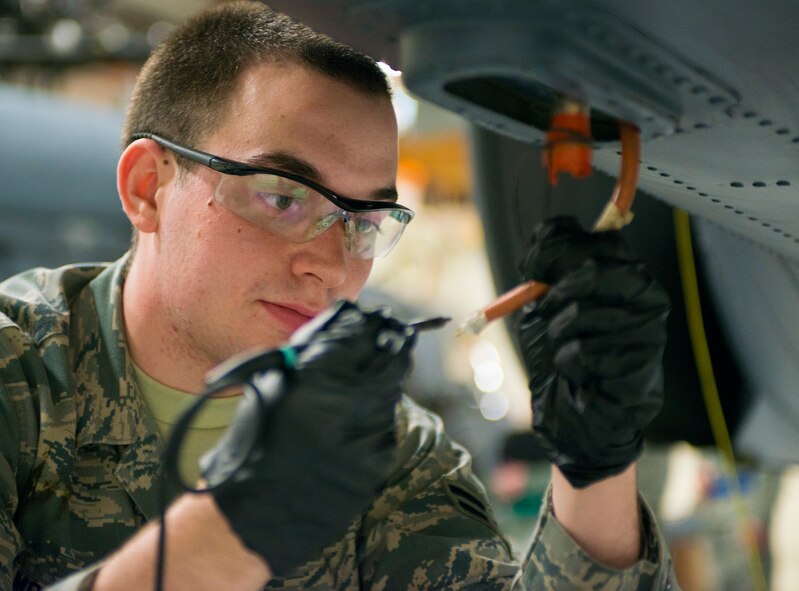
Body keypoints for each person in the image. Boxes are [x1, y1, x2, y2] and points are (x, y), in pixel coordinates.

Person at [0, 2, 678, 589]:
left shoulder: (380, 446)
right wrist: (236, 528)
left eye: (363, 222)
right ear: (149, 187)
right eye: (281, 196)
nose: (329, 265)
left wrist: (596, 469)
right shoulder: (18, 374)